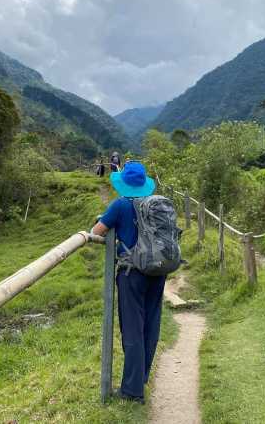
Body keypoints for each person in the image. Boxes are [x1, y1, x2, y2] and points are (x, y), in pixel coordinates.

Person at [91, 162, 164, 404]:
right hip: (157, 270)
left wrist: (108, 221)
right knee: (150, 326)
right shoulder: (154, 204)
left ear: (124, 183)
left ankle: (132, 392)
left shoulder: (121, 204)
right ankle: (140, 378)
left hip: (132, 274)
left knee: (132, 329)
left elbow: (97, 231)